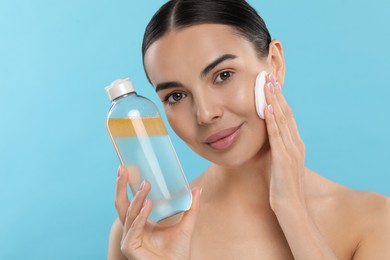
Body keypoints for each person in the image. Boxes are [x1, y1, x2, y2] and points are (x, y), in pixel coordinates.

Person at [108, 0, 390, 259]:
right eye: (176, 96)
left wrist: (292, 211)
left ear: (275, 64)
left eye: (223, 75)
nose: (205, 114)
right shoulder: (141, 234)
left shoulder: (373, 220)